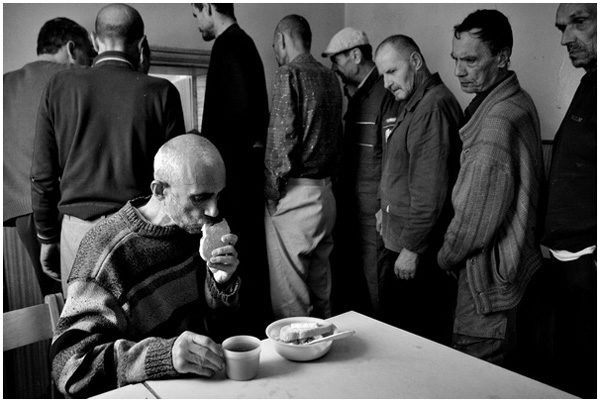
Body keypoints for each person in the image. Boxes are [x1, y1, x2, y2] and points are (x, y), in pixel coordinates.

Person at [50, 134, 241, 398]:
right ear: (160, 191)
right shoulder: (107, 250)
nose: (213, 210)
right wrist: (163, 356)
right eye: (200, 198)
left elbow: (215, 324)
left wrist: (220, 282)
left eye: (218, 195)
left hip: (196, 389)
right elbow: (69, 369)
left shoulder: (191, 229)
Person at [31, 4, 185, 296]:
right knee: (139, 322)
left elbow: (43, 174)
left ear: (94, 39)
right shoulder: (162, 92)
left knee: (83, 322)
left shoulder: (59, 85)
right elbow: (174, 181)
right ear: (141, 43)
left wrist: (47, 237)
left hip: (77, 232)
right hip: (136, 230)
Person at [438, 9, 544, 366]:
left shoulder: (497, 121)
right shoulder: (518, 100)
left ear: (502, 57)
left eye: (470, 60)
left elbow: (473, 223)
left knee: (473, 375)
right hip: (513, 274)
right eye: (456, 59)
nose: (458, 71)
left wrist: (445, 256)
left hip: (485, 281)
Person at [373, 35, 462, 344]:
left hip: (416, 252)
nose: (386, 83)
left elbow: (429, 192)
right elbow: (401, 169)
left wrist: (411, 248)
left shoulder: (432, 107)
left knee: (412, 341)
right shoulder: (416, 103)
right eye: (383, 75)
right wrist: (384, 210)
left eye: (392, 71)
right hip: (402, 241)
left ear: (415, 61)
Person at [191, 3, 270, 336]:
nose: (198, 23)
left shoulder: (228, 45)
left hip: (232, 186)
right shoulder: (245, 44)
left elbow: (231, 129)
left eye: (196, 13)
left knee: (229, 267)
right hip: (246, 183)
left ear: (209, 6)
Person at [4, 18, 94, 297]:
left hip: (20, 209)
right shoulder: (75, 78)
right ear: (72, 48)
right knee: (88, 296)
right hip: (67, 204)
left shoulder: (5, 84)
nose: (90, 62)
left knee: (57, 296)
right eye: (88, 53)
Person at [264, 15, 342, 319]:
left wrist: (272, 193)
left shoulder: (289, 74)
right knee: (322, 290)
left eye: (275, 46)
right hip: (326, 194)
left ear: (282, 40)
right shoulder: (331, 77)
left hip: (295, 196)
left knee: (291, 301)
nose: (275, 52)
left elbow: (281, 141)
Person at [542, 4, 596, 398]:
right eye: (563, 27)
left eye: (579, 22)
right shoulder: (591, 81)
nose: (565, 39)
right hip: (571, 263)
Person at [322, 27, 388, 316]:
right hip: (355, 206)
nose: (334, 68)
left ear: (356, 56)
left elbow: (390, 158)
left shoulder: (384, 93)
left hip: (374, 211)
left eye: (337, 61)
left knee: (376, 286)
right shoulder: (360, 95)